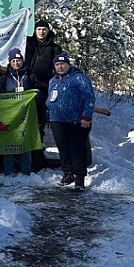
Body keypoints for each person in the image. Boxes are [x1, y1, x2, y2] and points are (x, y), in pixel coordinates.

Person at [47, 52, 95, 190]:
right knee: (63, 148)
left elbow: (89, 98)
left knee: (77, 149)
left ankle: (79, 177)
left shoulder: (79, 78)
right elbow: (50, 99)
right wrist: (49, 116)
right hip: (57, 120)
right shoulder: (53, 81)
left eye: (62, 64)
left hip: (77, 120)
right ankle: (68, 173)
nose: (60, 67)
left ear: (68, 64)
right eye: (57, 64)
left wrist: (86, 117)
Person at [25, 19, 63, 171]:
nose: (41, 32)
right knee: (27, 121)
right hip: (27, 88)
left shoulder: (54, 48)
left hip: (45, 89)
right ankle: (26, 157)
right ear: (35, 31)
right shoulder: (28, 44)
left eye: (44, 29)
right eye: (39, 29)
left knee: (41, 122)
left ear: (48, 31)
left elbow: (59, 68)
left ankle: (38, 158)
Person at [0, 48, 39, 176]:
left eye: (19, 60)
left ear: (22, 61)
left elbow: (38, 93)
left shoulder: (30, 75)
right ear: (10, 62)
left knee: (25, 141)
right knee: (9, 142)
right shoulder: (5, 77)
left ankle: (26, 171)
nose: (16, 63)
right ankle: (8, 171)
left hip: (26, 115)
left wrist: (36, 95)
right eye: (13, 61)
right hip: (10, 115)